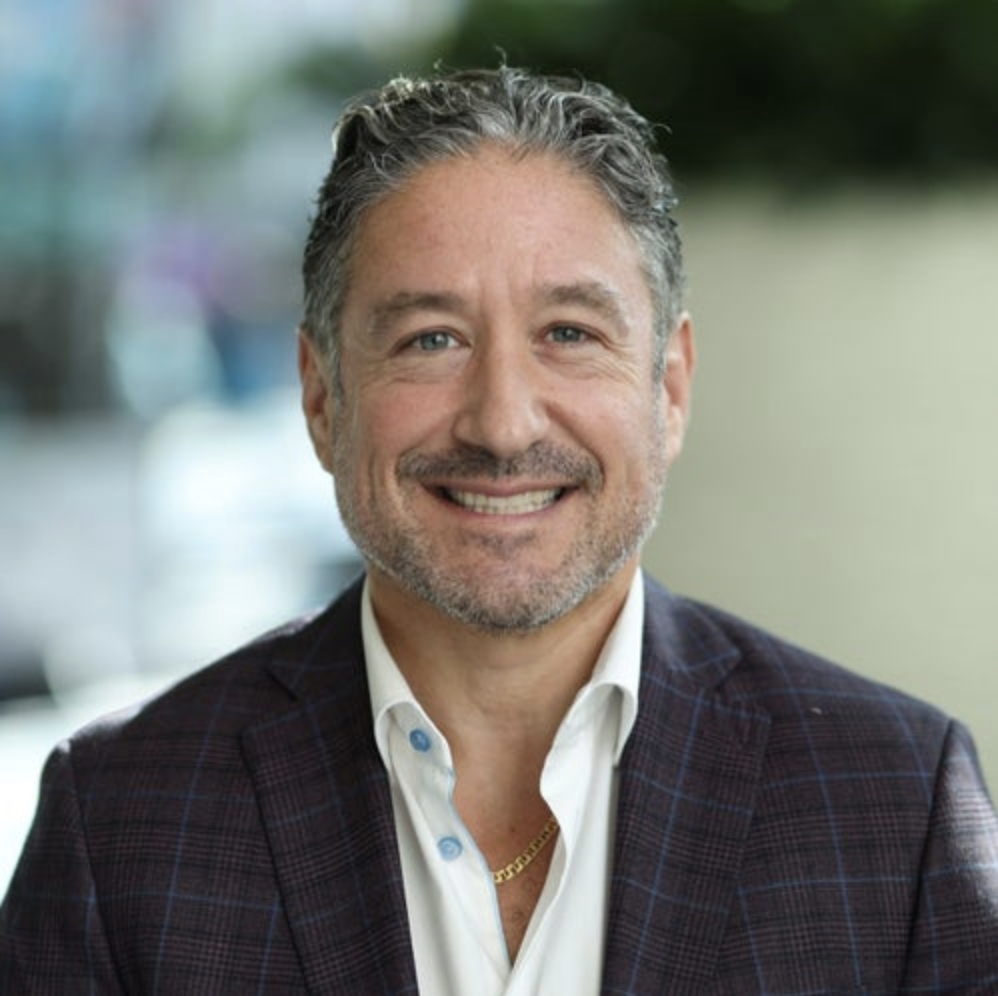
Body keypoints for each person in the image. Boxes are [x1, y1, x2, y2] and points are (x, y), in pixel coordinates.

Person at [2, 65, 997, 995]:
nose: (503, 422)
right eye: (430, 339)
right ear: (319, 396)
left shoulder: (896, 803)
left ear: (671, 388)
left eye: (568, 333)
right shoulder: (120, 821)